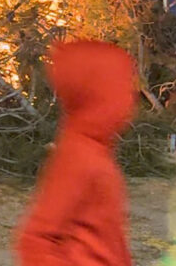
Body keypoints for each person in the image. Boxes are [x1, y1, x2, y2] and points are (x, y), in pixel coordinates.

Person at [16, 39, 136, 266]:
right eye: (122, 88)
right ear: (96, 96)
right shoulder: (78, 156)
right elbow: (35, 239)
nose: (131, 98)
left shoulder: (95, 149)